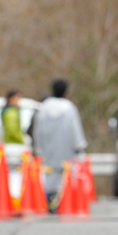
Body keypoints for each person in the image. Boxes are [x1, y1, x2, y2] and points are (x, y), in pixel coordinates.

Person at [33, 79, 87, 207]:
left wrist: (39, 148)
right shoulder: (69, 107)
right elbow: (75, 128)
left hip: (48, 150)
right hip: (66, 149)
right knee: (66, 175)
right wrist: (80, 146)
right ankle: (64, 201)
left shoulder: (44, 107)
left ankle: (48, 200)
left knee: (49, 175)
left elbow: (37, 130)